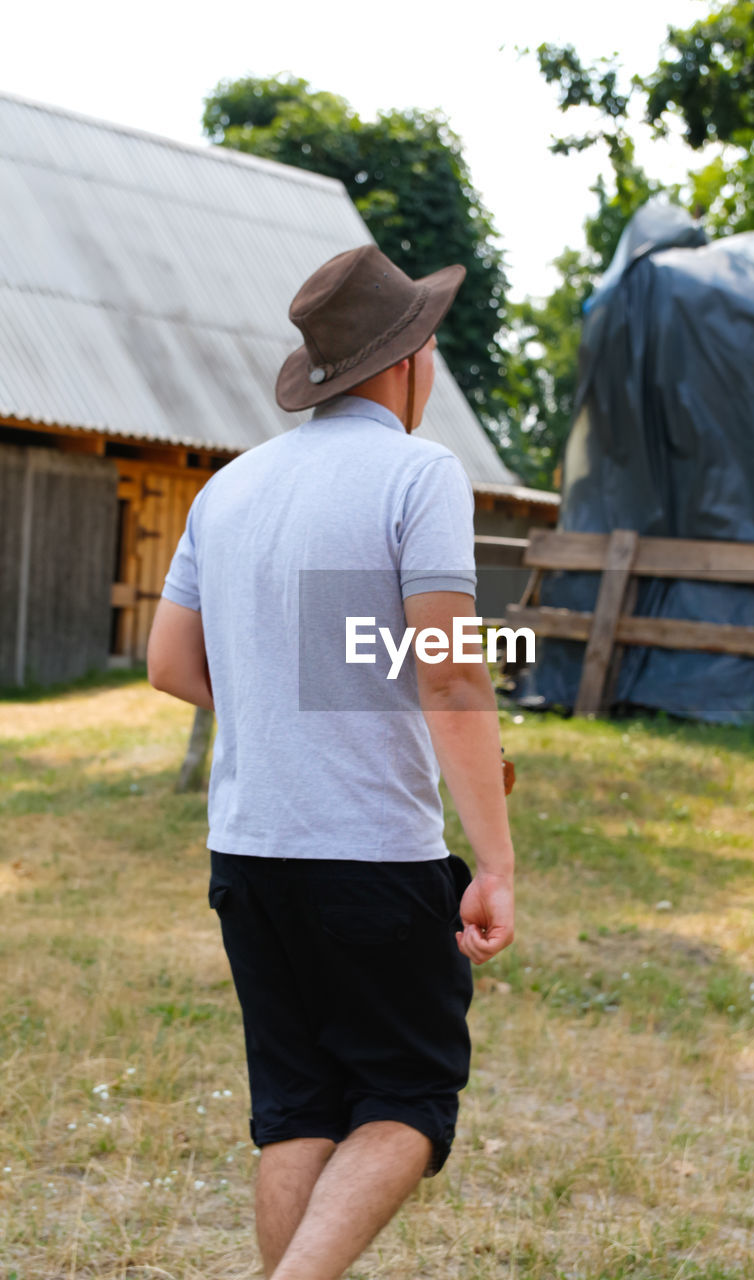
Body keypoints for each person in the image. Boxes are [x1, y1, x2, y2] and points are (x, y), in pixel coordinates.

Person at [147, 243, 515, 1280]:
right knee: (408, 1092)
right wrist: (495, 863)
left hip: (248, 852)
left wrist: (284, 698)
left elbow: (171, 663)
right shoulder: (417, 472)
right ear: (405, 360)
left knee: (299, 1107)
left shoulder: (230, 486)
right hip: (369, 855)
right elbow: (449, 677)